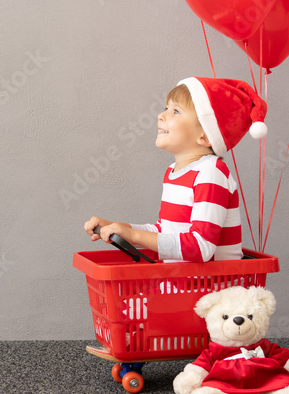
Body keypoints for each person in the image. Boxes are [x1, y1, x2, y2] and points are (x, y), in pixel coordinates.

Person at [84, 77, 268, 263]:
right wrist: (119, 228)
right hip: (179, 284)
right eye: (166, 108)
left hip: (212, 288)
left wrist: (134, 235)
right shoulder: (173, 172)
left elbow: (201, 247)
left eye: (176, 111)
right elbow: (165, 232)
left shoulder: (211, 172)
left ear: (205, 135)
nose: (161, 115)